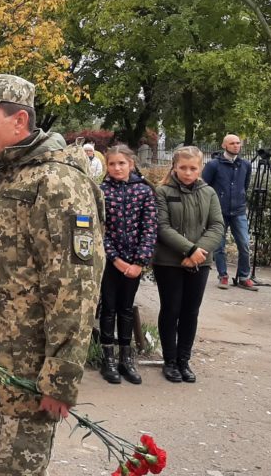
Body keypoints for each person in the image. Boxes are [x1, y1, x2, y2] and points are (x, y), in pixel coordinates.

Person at [0, 74, 105, 475]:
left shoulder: (58, 182)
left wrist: (60, 379)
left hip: (28, 378)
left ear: (19, 122)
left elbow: (75, 289)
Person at [153, 146, 224, 383]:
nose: (187, 172)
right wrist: (189, 249)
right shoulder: (162, 192)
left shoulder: (209, 193)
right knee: (171, 310)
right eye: (182, 167)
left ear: (200, 168)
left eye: (192, 168)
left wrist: (198, 252)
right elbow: (162, 227)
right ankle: (170, 361)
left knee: (190, 312)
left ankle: (184, 361)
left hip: (200, 262)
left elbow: (217, 226)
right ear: (174, 167)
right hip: (169, 262)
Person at [98, 145, 158, 385]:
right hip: (111, 261)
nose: (117, 168)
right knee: (109, 308)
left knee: (126, 308)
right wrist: (115, 259)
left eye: (121, 163)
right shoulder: (101, 191)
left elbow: (150, 228)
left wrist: (139, 261)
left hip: (133, 262)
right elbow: (99, 230)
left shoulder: (143, 191)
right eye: (112, 164)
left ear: (131, 164)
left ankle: (126, 356)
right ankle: (108, 358)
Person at [202, 134, 256, 290]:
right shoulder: (214, 165)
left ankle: (244, 277)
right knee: (219, 246)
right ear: (224, 145)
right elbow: (205, 187)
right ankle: (223, 275)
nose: (236, 146)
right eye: (232, 143)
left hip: (238, 211)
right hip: (219, 212)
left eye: (238, 143)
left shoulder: (245, 164)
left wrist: (240, 199)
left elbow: (245, 186)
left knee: (244, 244)